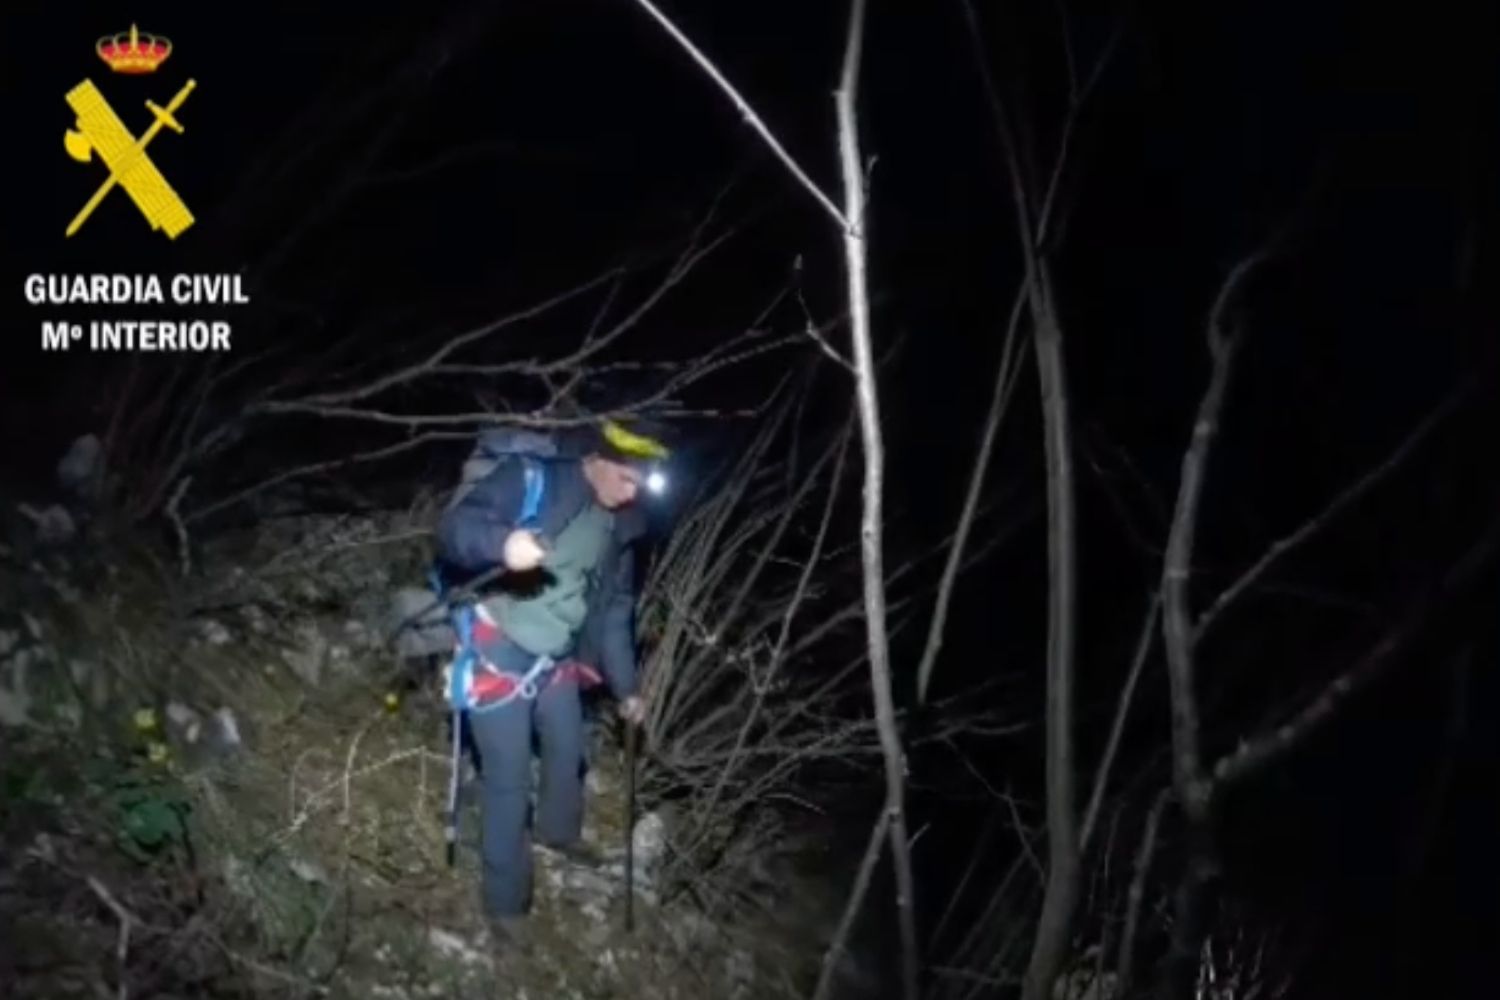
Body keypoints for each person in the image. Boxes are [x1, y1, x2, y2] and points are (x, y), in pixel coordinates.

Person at [433, 416, 668, 944]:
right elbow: (453, 530)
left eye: (641, 483)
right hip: (497, 647)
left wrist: (628, 689)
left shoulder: (618, 527)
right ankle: (505, 905)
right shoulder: (533, 477)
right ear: (599, 460)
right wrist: (502, 543)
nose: (633, 493)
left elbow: (613, 615)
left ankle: (558, 836)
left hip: (556, 657)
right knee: (510, 778)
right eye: (628, 478)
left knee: (567, 749)